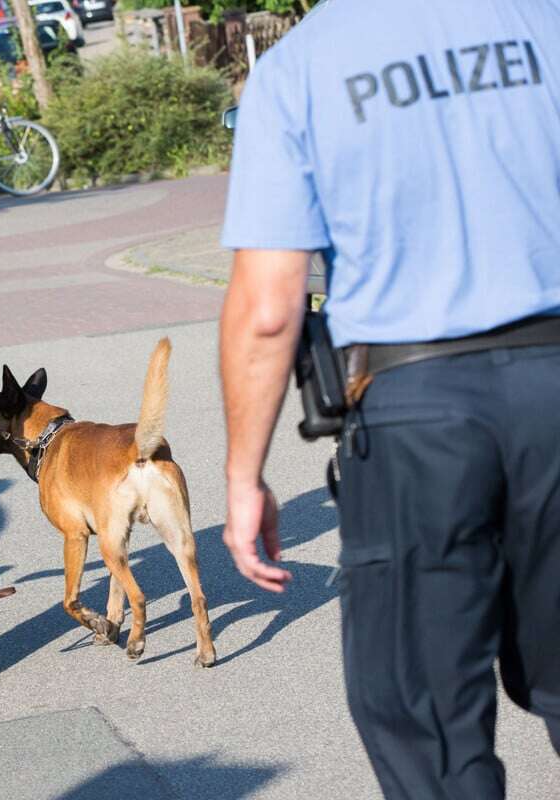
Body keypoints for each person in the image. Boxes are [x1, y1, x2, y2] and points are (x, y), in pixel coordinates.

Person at [218, 1, 560, 797]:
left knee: (426, 721)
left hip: (414, 415)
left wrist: (244, 475)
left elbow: (269, 310)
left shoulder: (301, 67)